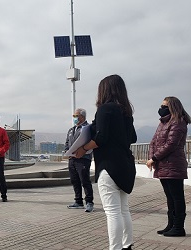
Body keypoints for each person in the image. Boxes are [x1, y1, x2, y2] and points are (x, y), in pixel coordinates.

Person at [75, 75, 137, 250]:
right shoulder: (126, 112)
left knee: (112, 212)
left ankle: (115, 248)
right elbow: (133, 137)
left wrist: (83, 148)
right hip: (125, 165)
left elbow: (101, 137)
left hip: (108, 166)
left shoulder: (104, 109)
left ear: (104, 90)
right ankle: (127, 245)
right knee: (124, 210)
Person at [146, 96, 191, 237]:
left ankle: (179, 227)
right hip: (163, 165)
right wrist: (152, 158)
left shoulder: (178, 122)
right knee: (170, 197)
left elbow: (171, 144)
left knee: (177, 197)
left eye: (164, 106)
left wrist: (154, 158)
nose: (161, 108)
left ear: (172, 107)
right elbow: (153, 141)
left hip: (174, 164)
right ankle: (171, 224)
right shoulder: (163, 123)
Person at [65, 108, 94, 212]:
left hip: (83, 159)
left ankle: (89, 202)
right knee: (75, 180)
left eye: (76, 116)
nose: (74, 118)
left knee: (84, 180)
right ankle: (78, 201)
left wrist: (83, 151)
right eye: (74, 116)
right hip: (72, 159)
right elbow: (67, 143)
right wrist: (67, 152)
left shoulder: (88, 128)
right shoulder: (71, 130)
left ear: (82, 116)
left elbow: (91, 143)